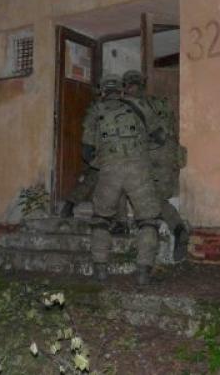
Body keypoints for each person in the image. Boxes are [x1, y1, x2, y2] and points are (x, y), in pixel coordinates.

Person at [83, 72, 164, 284]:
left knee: (101, 220)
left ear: (102, 91)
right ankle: (143, 273)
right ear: (121, 90)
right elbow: (160, 137)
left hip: (109, 171)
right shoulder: (139, 105)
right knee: (148, 220)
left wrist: (104, 161)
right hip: (138, 169)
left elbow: (87, 151)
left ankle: (100, 270)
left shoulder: (95, 111)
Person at [123, 70, 190, 261]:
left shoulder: (132, 105)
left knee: (148, 198)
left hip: (151, 155)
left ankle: (170, 231)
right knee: (155, 198)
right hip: (168, 155)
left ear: (128, 86)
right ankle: (175, 230)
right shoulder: (160, 103)